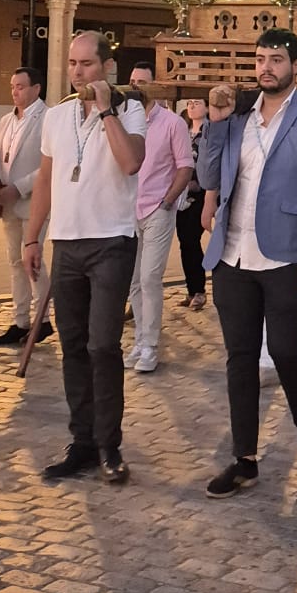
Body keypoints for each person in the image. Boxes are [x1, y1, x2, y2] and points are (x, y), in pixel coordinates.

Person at [197, 29, 297, 497]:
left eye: (276, 59)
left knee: (284, 350)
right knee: (240, 359)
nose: (266, 68)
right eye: (260, 59)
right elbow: (206, 176)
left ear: (295, 65)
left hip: (287, 254)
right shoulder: (238, 118)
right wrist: (215, 124)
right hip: (232, 255)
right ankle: (244, 459)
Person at [25, 32, 147, 485]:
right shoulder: (55, 117)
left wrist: (107, 109)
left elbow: (131, 162)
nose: (77, 72)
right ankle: (82, 442)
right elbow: (45, 177)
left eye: (86, 65)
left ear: (106, 69)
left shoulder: (131, 110)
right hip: (67, 244)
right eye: (72, 64)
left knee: (102, 345)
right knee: (73, 346)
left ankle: (109, 445)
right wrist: (32, 237)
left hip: (112, 242)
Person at [123, 66, 194, 373]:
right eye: (132, 82)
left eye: (142, 82)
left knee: (150, 278)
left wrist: (167, 201)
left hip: (157, 210)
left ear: (155, 87)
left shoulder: (172, 123)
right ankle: (139, 340)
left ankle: (151, 345)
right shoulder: (123, 120)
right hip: (127, 211)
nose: (136, 87)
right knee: (133, 281)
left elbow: (185, 166)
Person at [0, 67, 48, 348]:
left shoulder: (47, 119)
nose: (15, 92)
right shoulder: (7, 120)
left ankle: (42, 319)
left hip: (32, 201)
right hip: (6, 202)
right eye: (12, 86)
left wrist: (18, 188)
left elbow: (48, 165)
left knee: (31, 260)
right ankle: (20, 321)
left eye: (21, 86)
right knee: (14, 262)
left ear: (36, 89)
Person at [174, 100, 210, 310]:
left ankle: (199, 289)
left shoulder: (210, 131)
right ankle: (191, 289)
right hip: (180, 193)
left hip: (201, 193)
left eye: (197, 103)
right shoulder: (182, 129)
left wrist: (198, 182)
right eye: (189, 103)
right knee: (184, 242)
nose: (192, 106)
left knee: (192, 240)